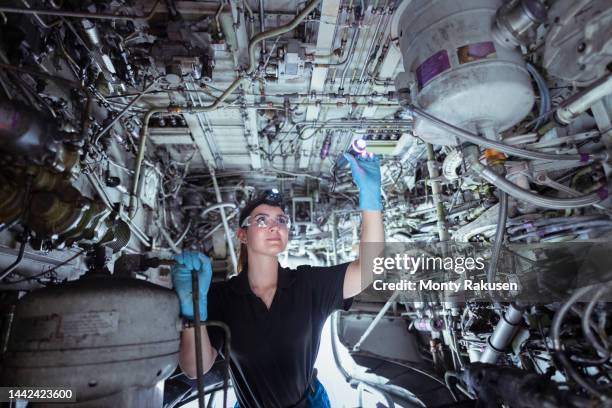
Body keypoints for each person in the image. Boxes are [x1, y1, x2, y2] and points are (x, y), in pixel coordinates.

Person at [171, 152, 385, 407]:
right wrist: (192, 308)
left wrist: (371, 199)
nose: (275, 226)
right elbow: (196, 368)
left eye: (281, 220)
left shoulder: (308, 285)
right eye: (262, 220)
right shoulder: (222, 297)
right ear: (242, 234)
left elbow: (369, 269)